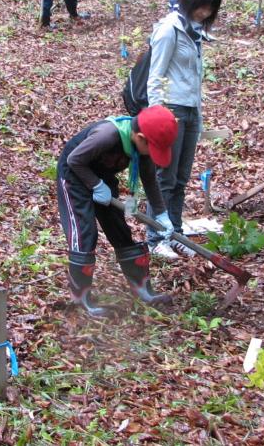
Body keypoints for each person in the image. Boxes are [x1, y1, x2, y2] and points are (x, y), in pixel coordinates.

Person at [57, 105, 179, 318]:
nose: (153, 154)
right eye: (152, 149)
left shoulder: (143, 146)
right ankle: (81, 301)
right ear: (140, 137)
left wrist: (161, 214)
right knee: (85, 233)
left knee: (120, 229)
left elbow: (150, 181)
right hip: (74, 176)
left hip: (101, 177)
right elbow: (74, 160)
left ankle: (143, 289)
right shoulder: (107, 136)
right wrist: (95, 185)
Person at [146, 0, 222, 259]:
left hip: (190, 110)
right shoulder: (170, 29)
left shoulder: (196, 32)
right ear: (190, 0)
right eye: (201, 6)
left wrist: (199, 116)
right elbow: (155, 77)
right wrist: (157, 117)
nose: (204, 13)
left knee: (181, 178)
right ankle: (156, 237)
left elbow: (194, 78)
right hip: (170, 111)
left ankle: (174, 232)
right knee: (164, 177)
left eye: (209, 9)